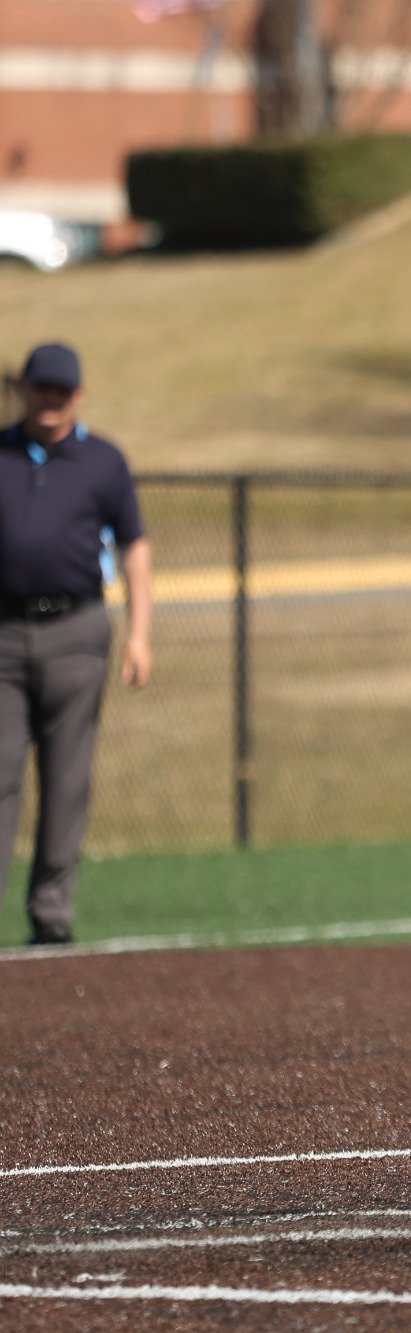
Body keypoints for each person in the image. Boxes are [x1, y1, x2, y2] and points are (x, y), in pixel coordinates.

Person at [0, 343, 151, 945]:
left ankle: (52, 919)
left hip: (76, 632)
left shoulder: (103, 461)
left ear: (78, 395)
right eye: (41, 388)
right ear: (24, 389)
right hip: (3, 635)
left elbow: (134, 544)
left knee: (66, 779)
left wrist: (140, 633)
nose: (50, 400)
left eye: (62, 391)